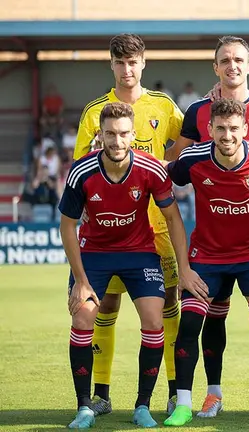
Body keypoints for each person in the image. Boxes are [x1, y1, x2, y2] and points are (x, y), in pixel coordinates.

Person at [167, 35, 249, 419]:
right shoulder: (197, 112)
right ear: (216, 67)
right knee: (211, 315)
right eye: (225, 60)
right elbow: (174, 166)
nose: (232, 66)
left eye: (239, 59)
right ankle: (209, 394)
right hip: (211, 242)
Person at [59, 102, 202, 429]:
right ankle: (84, 406)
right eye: (110, 134)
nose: (117, 141)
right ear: (101, 135)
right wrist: (80, 281)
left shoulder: (152, 169)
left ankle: (142, 405)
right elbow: (68, 226)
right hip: (94, 253)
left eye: (123, 134)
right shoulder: (82, 171)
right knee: (83, 316)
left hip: (139, 253)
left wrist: (184, 269)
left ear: (133, 135)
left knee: (154, 321)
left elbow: (173, 219)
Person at [74, 33, 185, 416]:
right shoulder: (94, 112)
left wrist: (168, 165)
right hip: (109, 231)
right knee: (105, 303)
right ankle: (101, 393)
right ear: (111, 65)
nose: (127, 69)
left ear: (143, 63)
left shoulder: (164, 107)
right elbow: (80, 168)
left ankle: (173, 391)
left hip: (156, 228)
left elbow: (186, 140)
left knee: (167, 304)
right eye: (120, 63)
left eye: (133, 62)